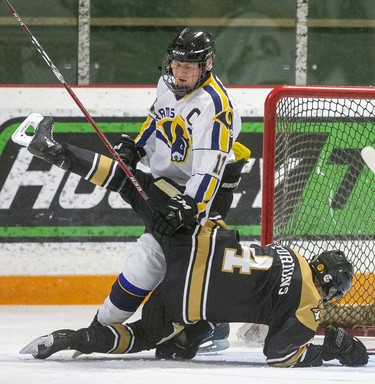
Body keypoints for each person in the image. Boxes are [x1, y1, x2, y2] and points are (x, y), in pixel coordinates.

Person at [18, 120, 368, 367]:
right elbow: (280, 355)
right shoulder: (311, 305)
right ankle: (74, 338)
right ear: (332, 289)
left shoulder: (288, 252)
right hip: (186, 301)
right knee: (141, 337)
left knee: (130, 181)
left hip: (195, 242)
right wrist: (331, 349)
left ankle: (53, 150)